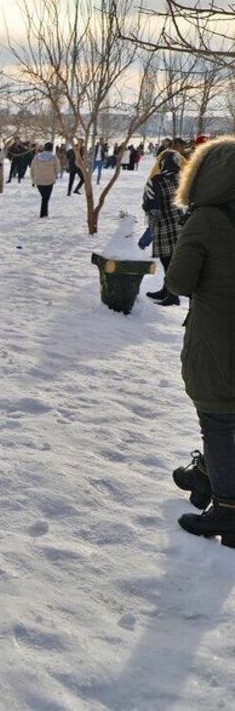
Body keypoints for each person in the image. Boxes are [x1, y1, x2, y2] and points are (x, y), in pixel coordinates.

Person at [165, 137, 235, 547]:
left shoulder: (206, 219)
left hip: (217, 337)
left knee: (218, 418)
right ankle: (206, 475)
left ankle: (227, 510)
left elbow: (178, 281)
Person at [142, 149, 188, 306]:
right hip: (179, 223)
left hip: (163, 224)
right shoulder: (181, 178)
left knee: (167, 260)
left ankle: (172, 295)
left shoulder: (157, 179)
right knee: (171, 259)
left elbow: (148, 201)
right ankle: (166, 289)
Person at [29, 142, 60, 218]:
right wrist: (54, 174)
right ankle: (44, 214)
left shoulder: (37, 157)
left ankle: (44, 213)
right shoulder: (54, 157)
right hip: (49, 180)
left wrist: (33, 179)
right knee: (46, 198)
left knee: (44, 197)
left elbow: (32, 168)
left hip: (38, 180)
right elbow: (57, 169)